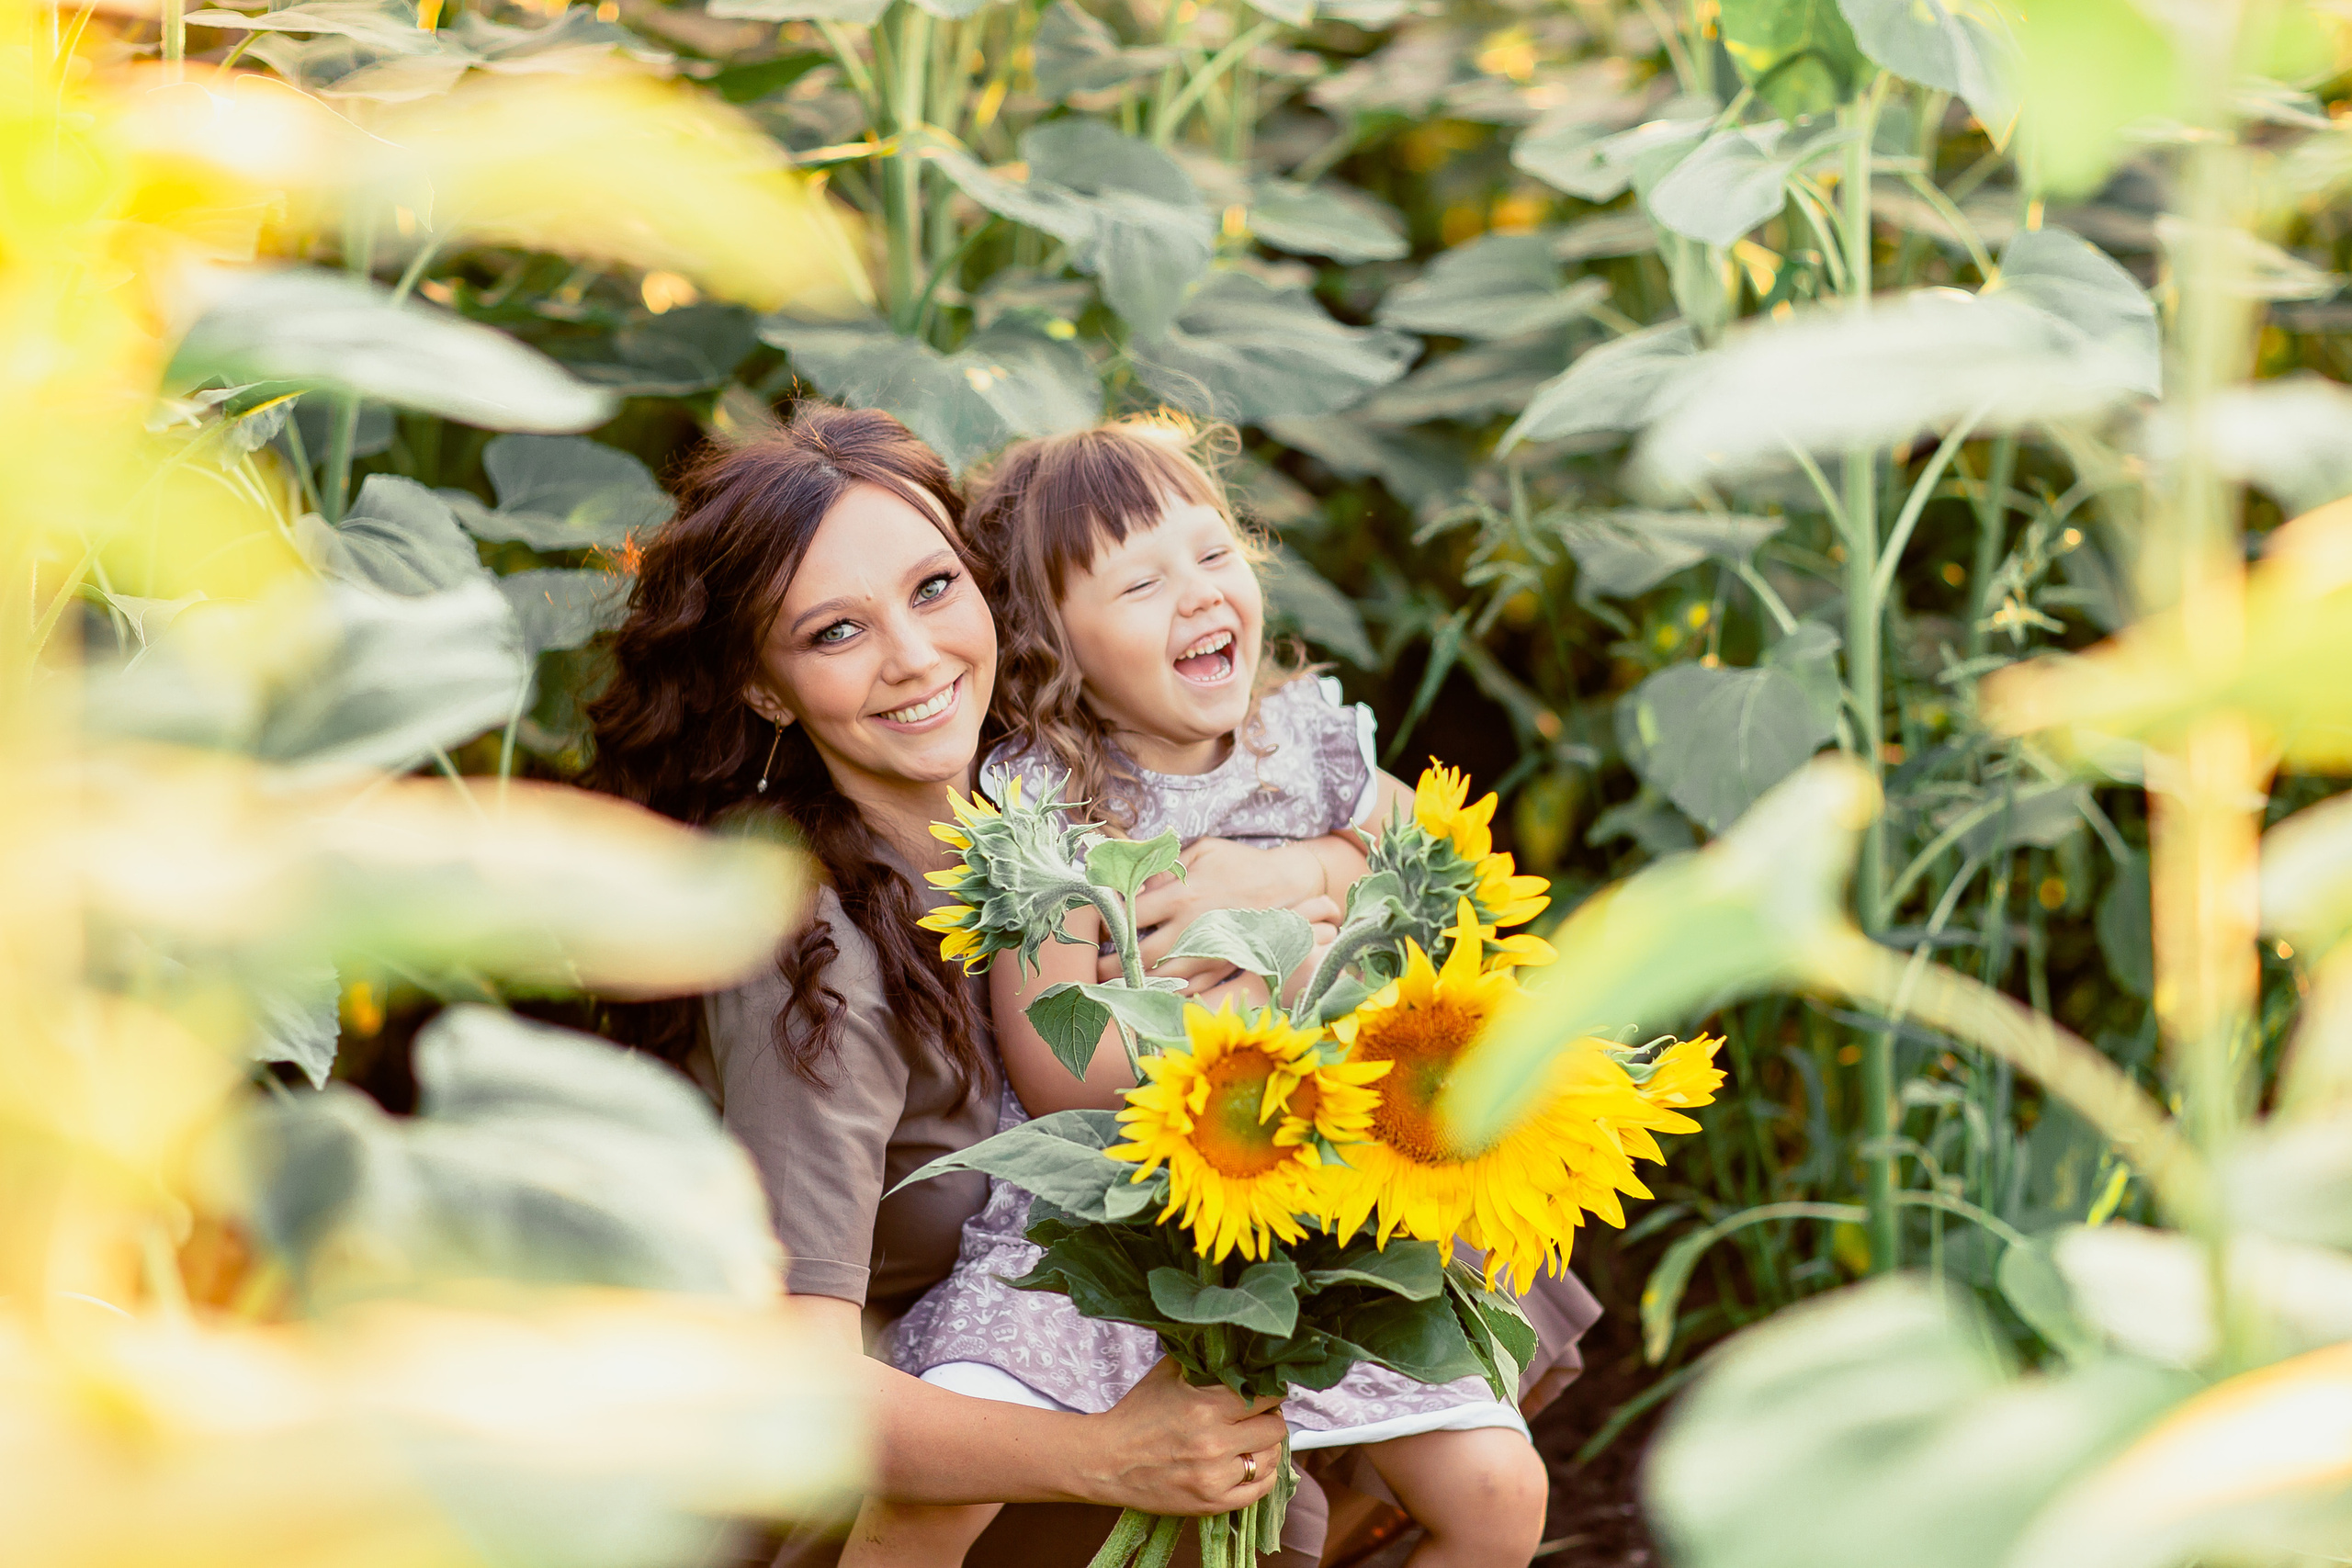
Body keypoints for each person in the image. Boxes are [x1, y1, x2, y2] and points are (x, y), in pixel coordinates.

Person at [586, 404, 1343, 1566]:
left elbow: (1346, 810)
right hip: (872, 1477)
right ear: (767, 690)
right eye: (836, 632)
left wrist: (1308, 865)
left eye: (935, 589)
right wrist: (1107, 1456)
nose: (916, 657)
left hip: (1071, 1354)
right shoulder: (809, 955)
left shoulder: (1046, 789)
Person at [873, 415, 1594, 1567]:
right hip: (1106, 1228)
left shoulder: (1306, 745)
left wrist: (1296, 870)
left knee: (1499, 1495)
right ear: (1052, 639)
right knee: (930, 1499)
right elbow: (1058, 1073)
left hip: (1319, 1222)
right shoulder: (1048, 803)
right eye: (1141, 582)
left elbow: (1441, 861)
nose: (1198, 594)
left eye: (1212, 555)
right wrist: (1252, 1034)